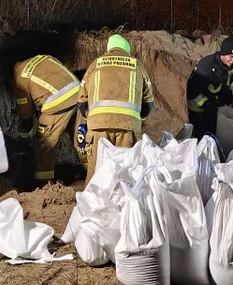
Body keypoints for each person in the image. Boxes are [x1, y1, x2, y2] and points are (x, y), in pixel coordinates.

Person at [77, 34, 155, 185]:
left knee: (95, 171)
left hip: (98, 126)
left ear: (109, 48)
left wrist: (90, 118)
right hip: (127, 126)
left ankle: (92, 206)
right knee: (124, 171)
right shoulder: (136, 65)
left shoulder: (95, 64)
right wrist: (139, 119)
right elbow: (149, 102)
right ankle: (122, 206)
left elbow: (81, 100)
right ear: (127, 49)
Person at [13, 54, 81, 185]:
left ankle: (43, 183)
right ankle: (89, 172)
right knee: (80, 136)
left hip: (57, 101)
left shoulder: (19, 78)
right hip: (77, 90)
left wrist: (23, 137)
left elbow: (25, 115)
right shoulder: (43, 57)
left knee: (44, 143)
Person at [186, 36, 233, 141]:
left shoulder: (231, 67)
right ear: (223, 54)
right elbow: (193, 91)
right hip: (197, 108)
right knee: (202, 137)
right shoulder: (205, 66)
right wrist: (206, 103)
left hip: (213, 107)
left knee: (213, 136)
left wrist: (229, 99)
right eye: (231, 56)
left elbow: (226, 86)